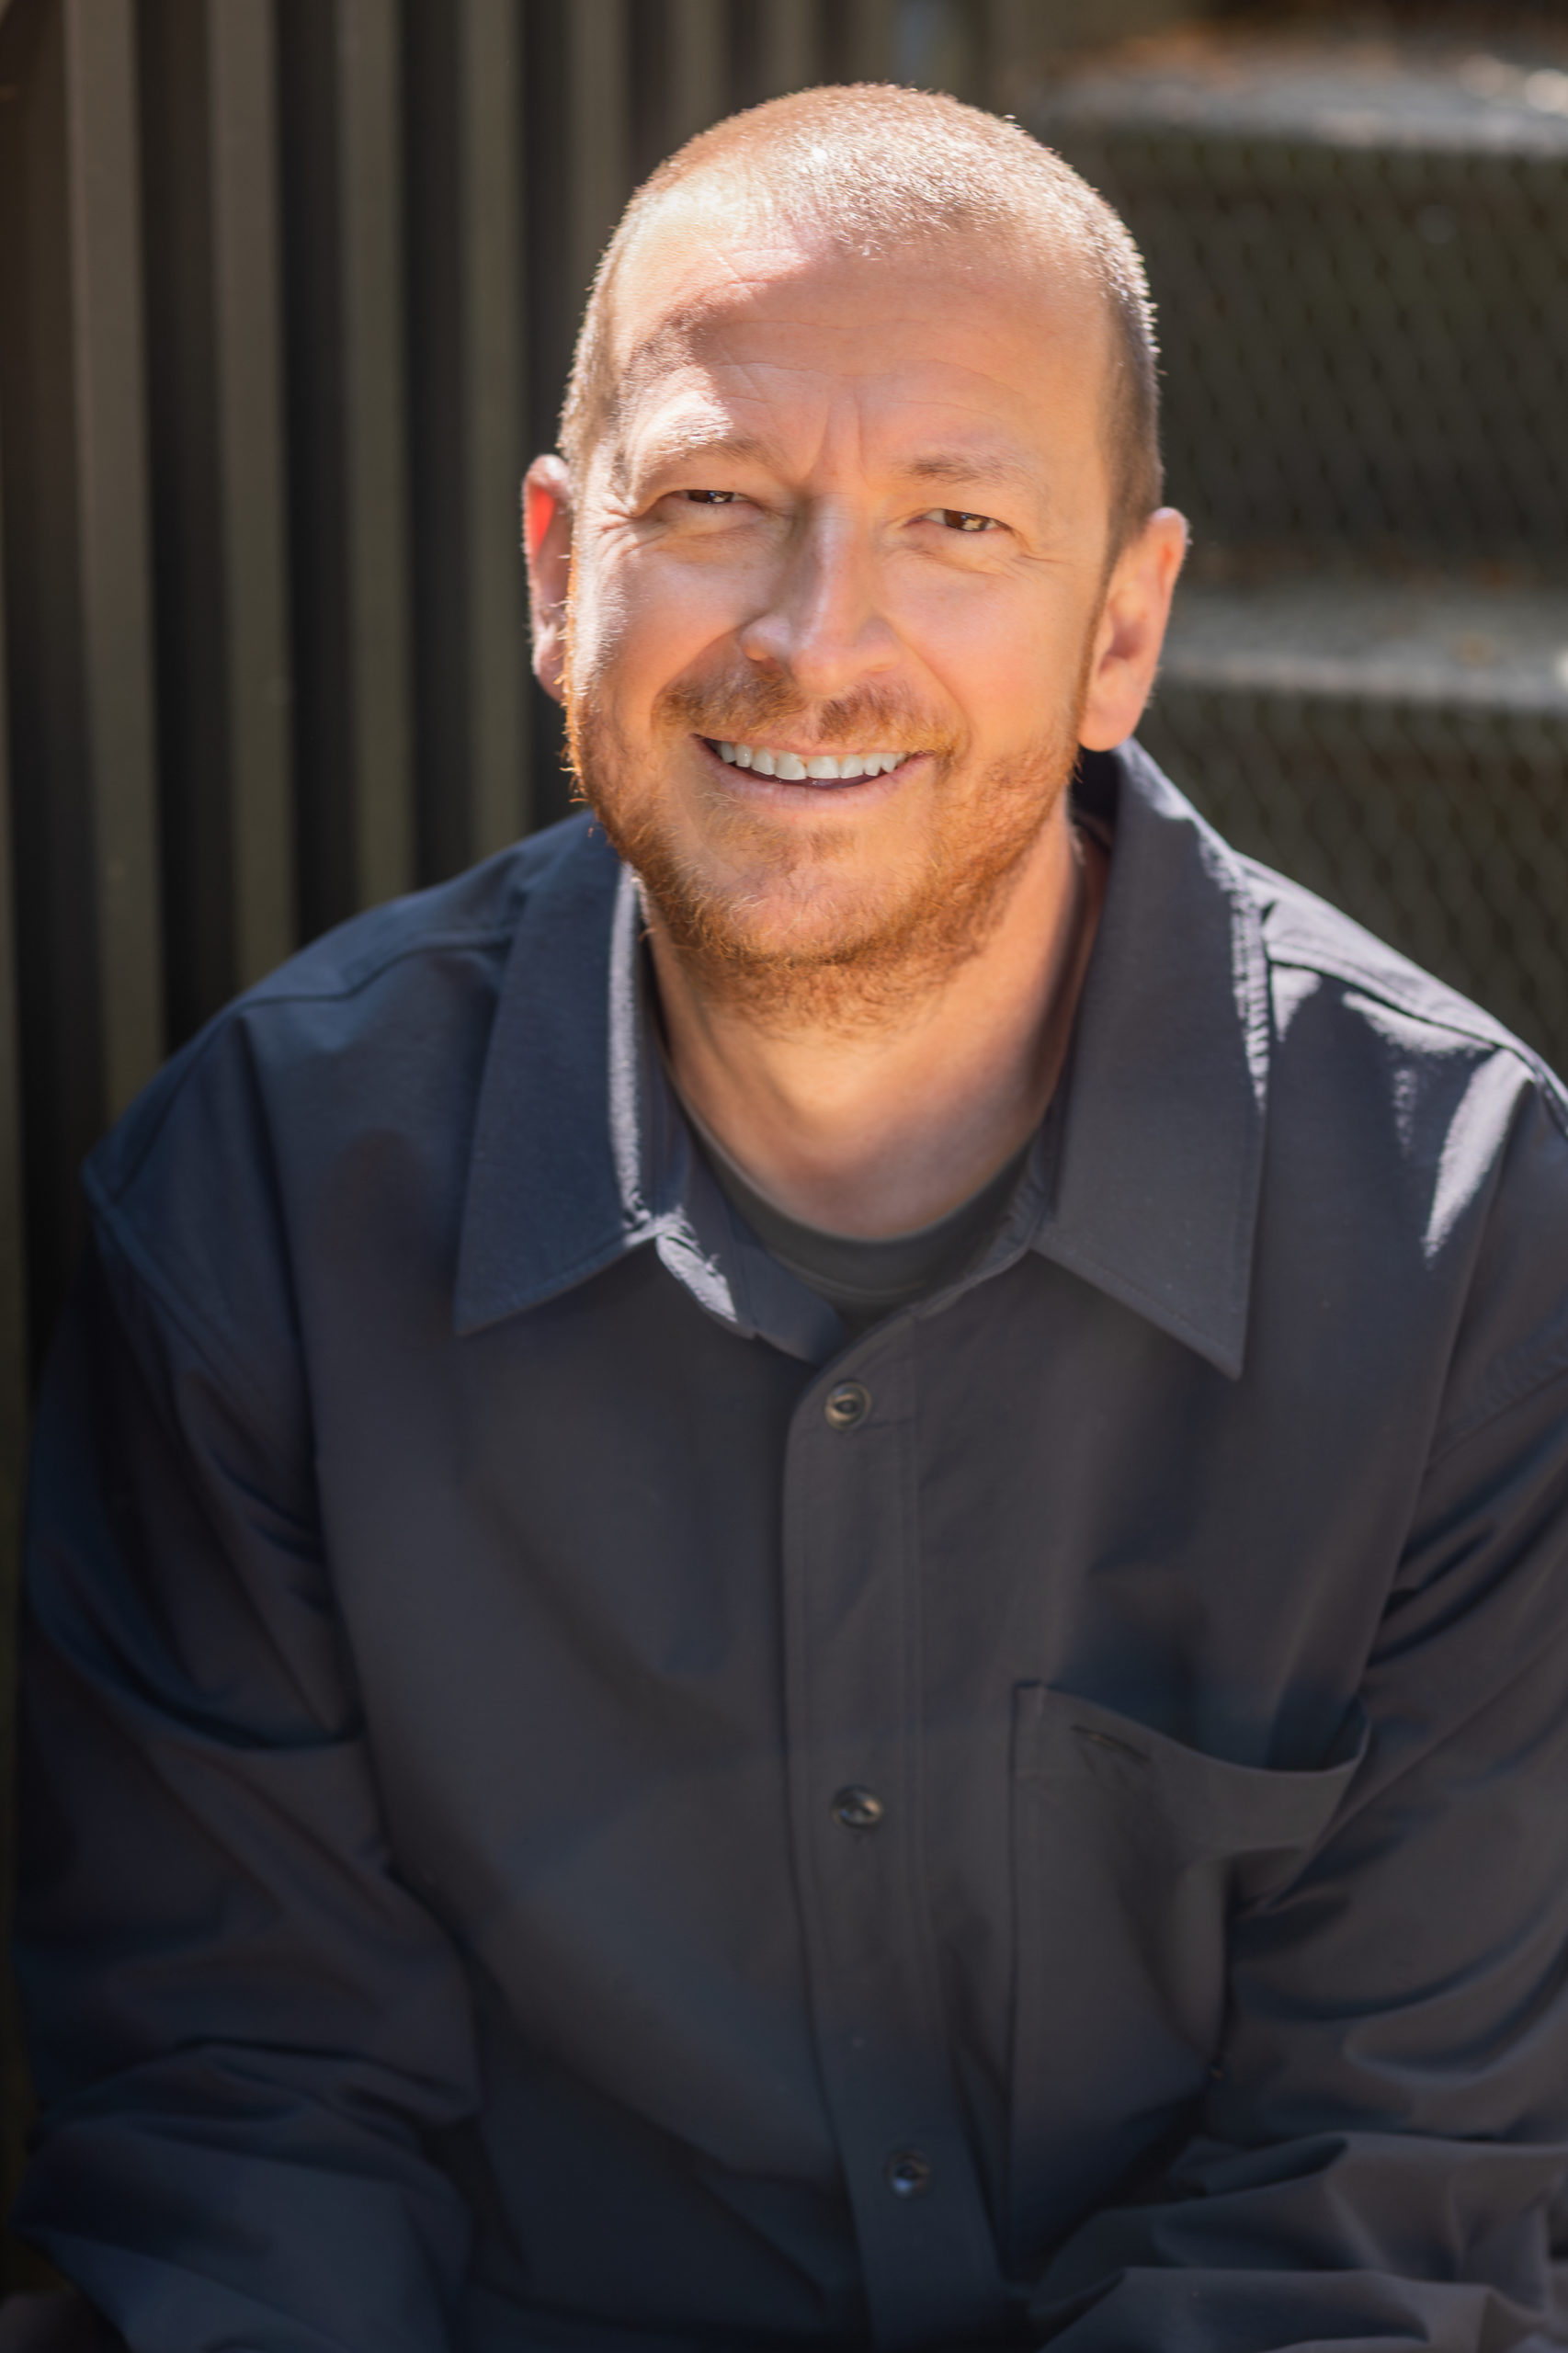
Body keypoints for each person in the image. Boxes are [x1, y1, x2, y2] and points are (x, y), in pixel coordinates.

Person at [16, 80, 1568, 2353]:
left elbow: (1377, 2204)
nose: (815, 635)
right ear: (559, 571)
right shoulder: (263, 1195)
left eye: (955, 520)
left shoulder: (1470, 1240)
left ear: (1122, 628)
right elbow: (251, 2132)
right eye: (716, 501)